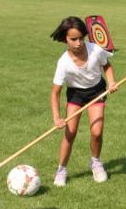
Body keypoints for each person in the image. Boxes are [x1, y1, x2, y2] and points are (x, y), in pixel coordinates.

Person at [50, 16, 117, 186]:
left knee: (97, 132)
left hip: (96, 92)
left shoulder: (95, 50)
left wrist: (111, 82)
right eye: (73, 39)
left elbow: (107, 66)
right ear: (65, 39)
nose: (78, 43)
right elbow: (55, 93)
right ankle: (61, 170)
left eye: (81, 38)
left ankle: (96, 162)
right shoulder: (63, 63)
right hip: (76, 95)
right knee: (70, 132)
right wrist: (57, 118)